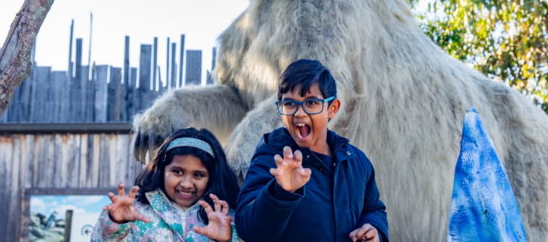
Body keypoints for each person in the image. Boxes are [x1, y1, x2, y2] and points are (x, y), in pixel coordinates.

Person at [235, 59, 389, 242]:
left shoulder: (356, 161)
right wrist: (281, 191)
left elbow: (374, 209)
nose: (299, 113)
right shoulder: (271, 159)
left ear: (331, 109)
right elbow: (249, 231)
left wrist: (374, 229)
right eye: (290, 104)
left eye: (311, 103)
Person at [91, 128, 240, 242]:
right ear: (162, 170)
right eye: (177, 172)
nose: (187, 184)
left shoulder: (227, 219)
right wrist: (116, 223)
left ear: (212, 177)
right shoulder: (133, 213)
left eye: (198, 175)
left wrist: (226, 240)